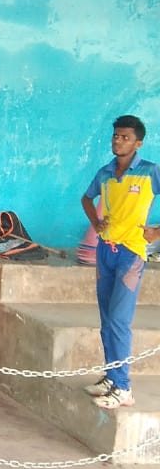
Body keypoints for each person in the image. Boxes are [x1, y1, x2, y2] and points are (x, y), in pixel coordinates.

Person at [81, 114, 160, 410]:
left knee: (118, 320)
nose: (118, 141)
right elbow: (86, 199)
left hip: (131, 253)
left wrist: (157, 232)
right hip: (106, 250)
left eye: (125, 137)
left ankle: (123, 388)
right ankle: (111, 377)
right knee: (106, 319)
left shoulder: (150, 171)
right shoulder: (105, 172)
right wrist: (96, 223)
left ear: (138, 143)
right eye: (116, 135)